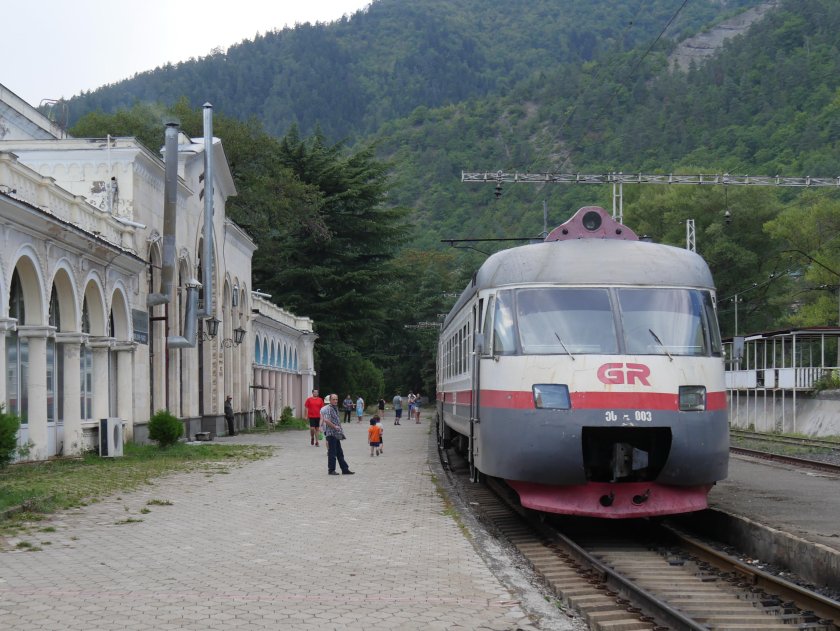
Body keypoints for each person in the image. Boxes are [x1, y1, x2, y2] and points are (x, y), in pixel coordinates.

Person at [321, 393, 354, 475]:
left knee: (339, 452)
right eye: (334, 399)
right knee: (332, 453)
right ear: (330, 400)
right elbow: (326, 420)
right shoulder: (329, 409)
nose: (335, 401)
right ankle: (331, 470)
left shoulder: (335, 408)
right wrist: (335, 427)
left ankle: (345, 469)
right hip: (331, 434)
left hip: (336, 434)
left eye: (336, 399)